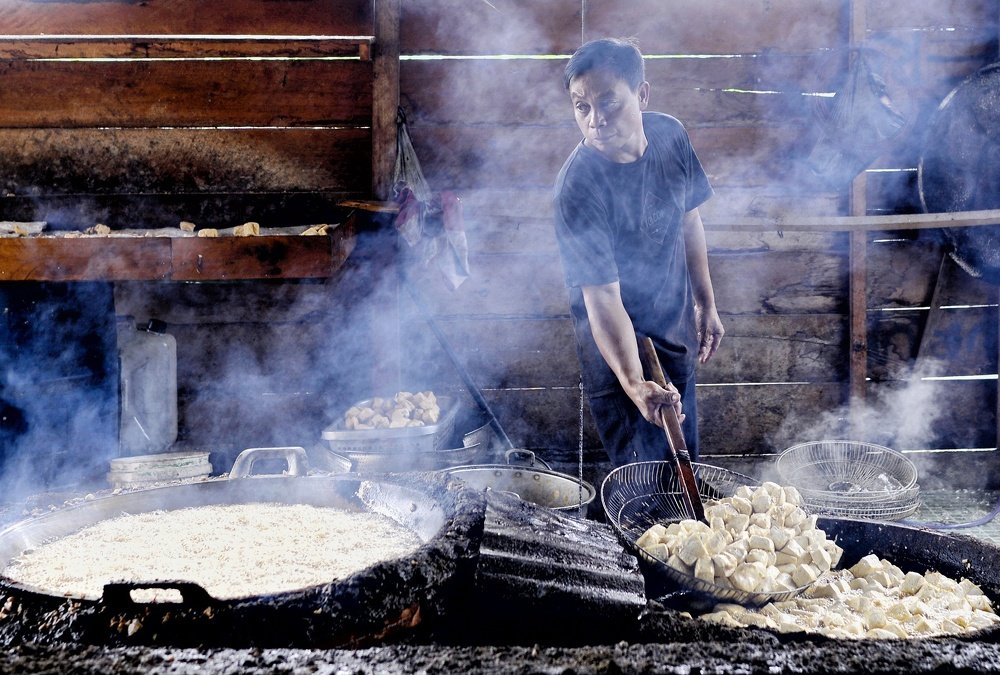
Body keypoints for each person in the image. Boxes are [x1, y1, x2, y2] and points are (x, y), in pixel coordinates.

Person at [552, 37, 724, 467]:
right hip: (617, 350)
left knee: (684, 472)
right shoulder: (577, 186)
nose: (596, 121)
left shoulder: (671, 136)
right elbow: (603, 297)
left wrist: (705, 302)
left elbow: (689, 219)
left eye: (608, 102)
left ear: (641, 94)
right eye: (582, 107)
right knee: (641, 489)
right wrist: (634, 383)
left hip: (674, 334)